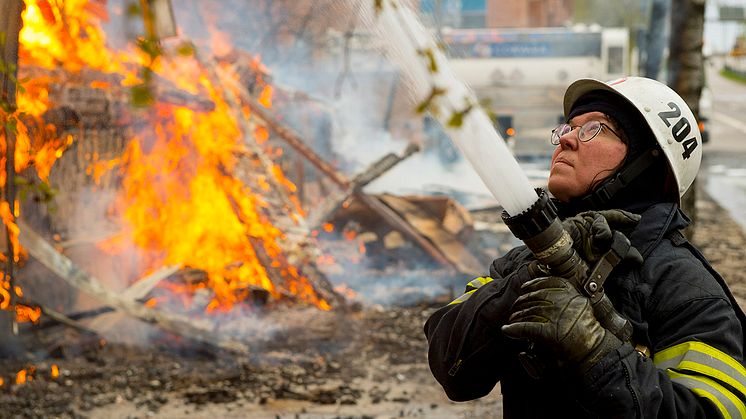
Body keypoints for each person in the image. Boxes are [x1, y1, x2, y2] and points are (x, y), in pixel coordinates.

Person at [424, 76, 746, 418]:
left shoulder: (684, 287)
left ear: (644, 164)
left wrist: (595, 353)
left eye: (595, 128)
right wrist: (522, 282)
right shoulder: (525, 262)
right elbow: (451, 368)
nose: (566, 139)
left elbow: (712, 412)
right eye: (567, 128)